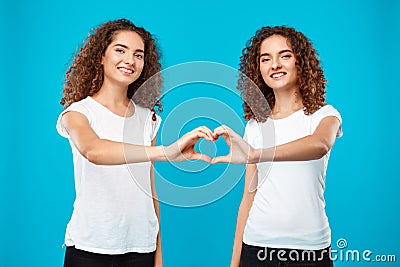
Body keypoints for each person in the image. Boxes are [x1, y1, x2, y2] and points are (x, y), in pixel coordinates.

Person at [56, 18, 213, 267]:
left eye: (138, 54)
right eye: (120, 50)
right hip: (90, 248)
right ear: (100, 56)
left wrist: (158, 255)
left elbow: (149, 190)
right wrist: (166, 151)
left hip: (141, 249)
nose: (130, 60)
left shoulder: (148, 118)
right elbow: (93, 150)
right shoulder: (78, 113)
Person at [212, 26, 342, 266]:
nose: (275, 65)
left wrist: (257, 154)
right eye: (266, 58)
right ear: (258, 68)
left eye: (285, 55)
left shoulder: (324, 115)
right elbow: (248, 198)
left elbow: (320, 144)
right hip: (256, 248)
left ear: (300, 62)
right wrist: (234, 262)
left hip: (310, 250)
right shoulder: (255, 126)